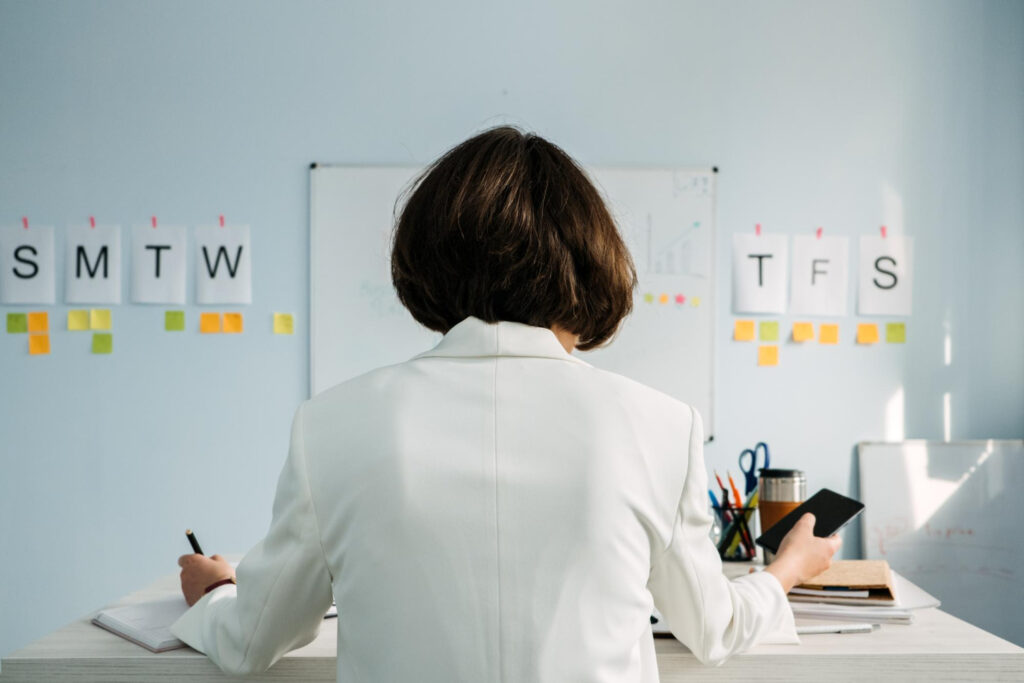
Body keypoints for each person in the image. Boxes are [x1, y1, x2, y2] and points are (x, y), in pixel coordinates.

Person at [173, 126, 840, 681]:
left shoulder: (330, 424)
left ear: (425, 260)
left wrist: (219, 592)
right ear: (591, 265)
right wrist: (788, 567)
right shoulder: (664, 425)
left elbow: (251, 638)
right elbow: (714, 627)